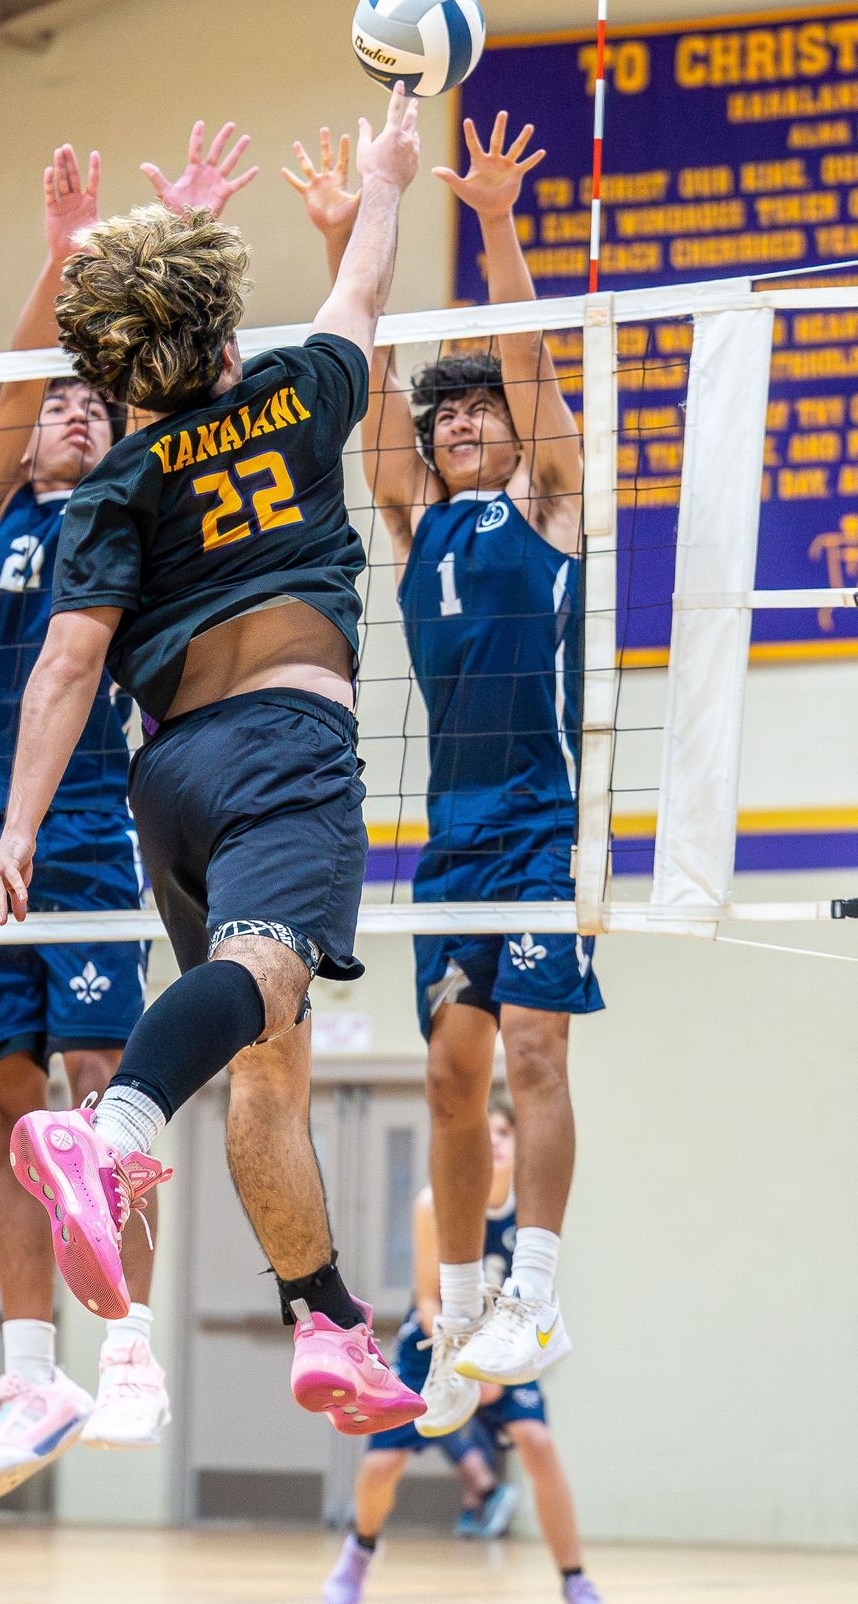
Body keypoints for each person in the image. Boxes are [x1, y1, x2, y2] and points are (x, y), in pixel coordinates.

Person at [0, 84, 426, 1434]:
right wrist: (387, 178)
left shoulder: (119, 478)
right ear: (226, 324)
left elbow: (65, 666)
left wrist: (16, 833)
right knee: (266, 978)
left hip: (164, 783)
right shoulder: (295, 395)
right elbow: (360, 296)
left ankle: (326, 1316)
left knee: (271, 1049)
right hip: (289, 744)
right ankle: (111, 1130)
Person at [0, 125, 258, 1502]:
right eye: (58, 399)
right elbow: (10, 388)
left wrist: (174, 242)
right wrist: (62, 251)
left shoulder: (133, 511)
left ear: (123, 427)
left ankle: (125, 1347)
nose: (68, 408)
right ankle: (31, 1372)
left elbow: (187, 411)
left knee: (96, 1092)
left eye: (91, 400)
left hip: (79, 835)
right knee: (3, 1103)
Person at [285, 112, 599, 1413]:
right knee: (448, 1073)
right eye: (449, 411)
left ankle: (539, 1290)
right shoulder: (413, 527)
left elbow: (533, 364)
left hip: (540, 821)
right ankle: (462, 1314)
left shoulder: (551, 499)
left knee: (535, 1052)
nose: (466, 422)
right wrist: (355, 231)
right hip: (452, 834)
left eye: (482, 409)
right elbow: (368, 383)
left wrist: (497, 222)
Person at [323, 1098, 603, 1604]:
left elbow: (531, 1293)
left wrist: (495, 1364)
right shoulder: (436, 1203)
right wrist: (468, 1365)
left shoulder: (530, 1208)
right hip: (433, 1344)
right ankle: (357, 1557)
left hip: (504, 1340)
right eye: (485, 1130)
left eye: (504, 1131)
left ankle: (575, 1579)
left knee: (538, 1443)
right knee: (382, 1466)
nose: (493, 1140)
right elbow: (428, 1297)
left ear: (519, 1144)